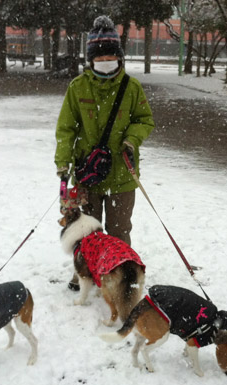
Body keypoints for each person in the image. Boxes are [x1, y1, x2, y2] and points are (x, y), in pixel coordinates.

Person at [54, 15, 155, 291]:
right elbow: (66, 129)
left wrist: (132, 139)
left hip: (122, 176)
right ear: (90, 61)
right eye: (100, 58)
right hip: (88, 174)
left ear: (120, 58)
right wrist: (63, 163)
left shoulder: (131, 88)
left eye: (111, 56)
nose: (105, 62)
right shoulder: (78, 87)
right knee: (85, 231)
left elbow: (145, 120)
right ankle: (84, 273)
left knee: (120, 231)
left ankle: (121, 274)